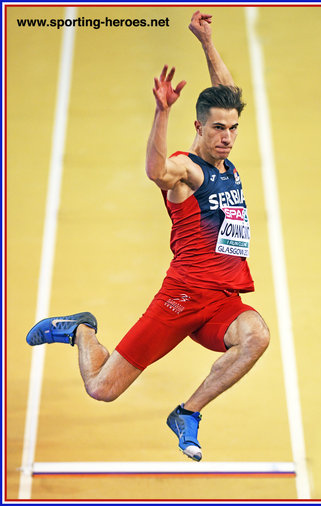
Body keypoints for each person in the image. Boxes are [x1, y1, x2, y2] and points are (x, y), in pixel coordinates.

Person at [26, 10, 270, 462]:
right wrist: (162, 112)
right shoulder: (187, 170)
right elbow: (155, 171)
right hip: (181, 297)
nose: (229, 137)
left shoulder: (225, 161)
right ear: (198, 127)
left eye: (233, 128)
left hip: (221, 299)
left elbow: (230, 95)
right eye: (219, 128)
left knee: (256, 335)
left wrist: (206, 41)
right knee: (101, 388)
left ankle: (187, 413)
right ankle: (80, 330)